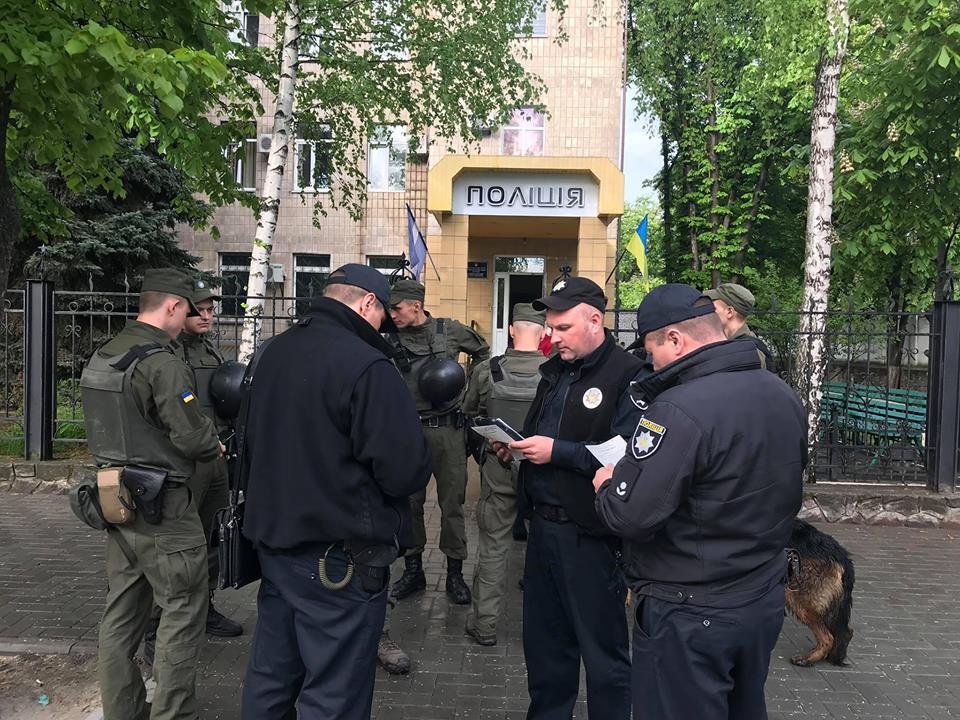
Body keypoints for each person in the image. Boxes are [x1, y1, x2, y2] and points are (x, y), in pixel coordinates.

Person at [593, 283, 807, 720]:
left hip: (690, 609)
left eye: (651, 350)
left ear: (675, 339)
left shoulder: (676, 409)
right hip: (760, 597)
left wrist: (607, 484)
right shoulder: (780, 391)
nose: (650, 363)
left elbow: (631, 515)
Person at [240, 264, 432, 720]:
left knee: (271, 678)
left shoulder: (272, 352)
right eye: (382, 315)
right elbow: (404, 472)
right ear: (367, 303)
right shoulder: (368, 365)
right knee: (334, 694)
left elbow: (246, 442)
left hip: (274, 546)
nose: (383, 326)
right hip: (337, 562)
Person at [80, 268, 223, 720]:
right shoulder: (162, 362)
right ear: (173, 306)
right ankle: (174, 714)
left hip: (115, 500)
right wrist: (213, 443)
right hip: (164, 508)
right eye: (188, 309)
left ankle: (123, 711)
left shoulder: (106, 354)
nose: (192, 317)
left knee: (122, 615)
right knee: (183, 610)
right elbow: (194, 439)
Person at [501, 276, 644, 720]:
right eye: (550, 327)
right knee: (546, 649)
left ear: (595, 321)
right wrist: (517, 447)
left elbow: (624, 454)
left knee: (604, 655)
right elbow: (544, 433)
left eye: (562, 327)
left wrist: (555, 452)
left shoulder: (628, 374)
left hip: (590, 535)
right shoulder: (556, 372)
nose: (553, 336)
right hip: (542, 530)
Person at [388, 278, 489, 605]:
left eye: (397, 308)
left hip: (448, 431)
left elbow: (483, 353)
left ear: (416, 306)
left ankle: (455, 574)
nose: (393, 315)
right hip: (407, 432)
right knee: (410, 503)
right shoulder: (390, 338)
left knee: (452, 505)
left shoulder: (449, 330)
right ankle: (413, 570)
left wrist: (467, 391)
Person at [462, 303, 547, 646]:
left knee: (493, 546)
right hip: (542, 470)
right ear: (544, 333)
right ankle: (544, 632)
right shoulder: (556, 373)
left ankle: (484, 625)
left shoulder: (487, 370)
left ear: (511, 329)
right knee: (545, 549)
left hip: (498, 466)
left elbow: (470, 412)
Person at [176, 281, 243, 636]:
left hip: (217, 455)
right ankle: (167, 615)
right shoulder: (170, 353)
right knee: (184, 539)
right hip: (187, 459)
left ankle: (205, 606)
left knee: (215, 534)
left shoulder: (210, 350)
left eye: (210, 310)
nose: (206, 316)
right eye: (198, 310)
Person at [704, 282, 775, 370]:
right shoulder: (733, 344)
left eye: (713, 307)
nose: (708, 311)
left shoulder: (749, 353)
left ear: (729, 312)